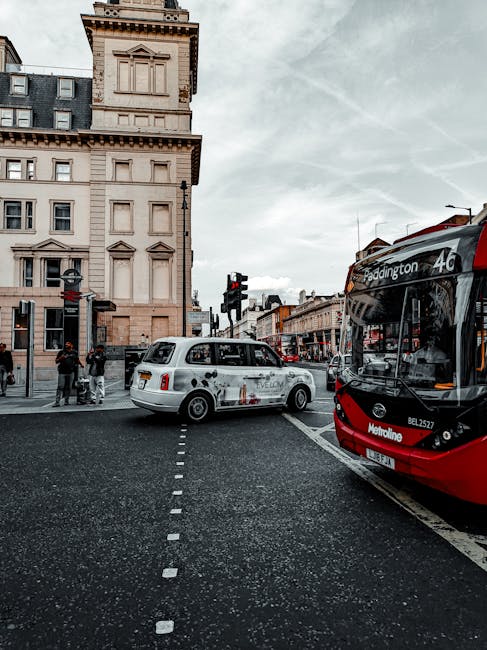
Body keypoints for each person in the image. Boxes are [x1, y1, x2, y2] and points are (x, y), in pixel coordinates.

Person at [53, 341, 83, 407]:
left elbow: (77, 360)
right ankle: (57, 401)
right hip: (62, 372)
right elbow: (56, 361)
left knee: (68, 387)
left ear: (71, 345)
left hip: (71, 372)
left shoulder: (74, 352)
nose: (66, 345)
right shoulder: (61, 352)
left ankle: (66, 401)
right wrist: (61, 358)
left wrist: (81, 364)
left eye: (68, 343)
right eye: (66, 344)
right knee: (60, 386)